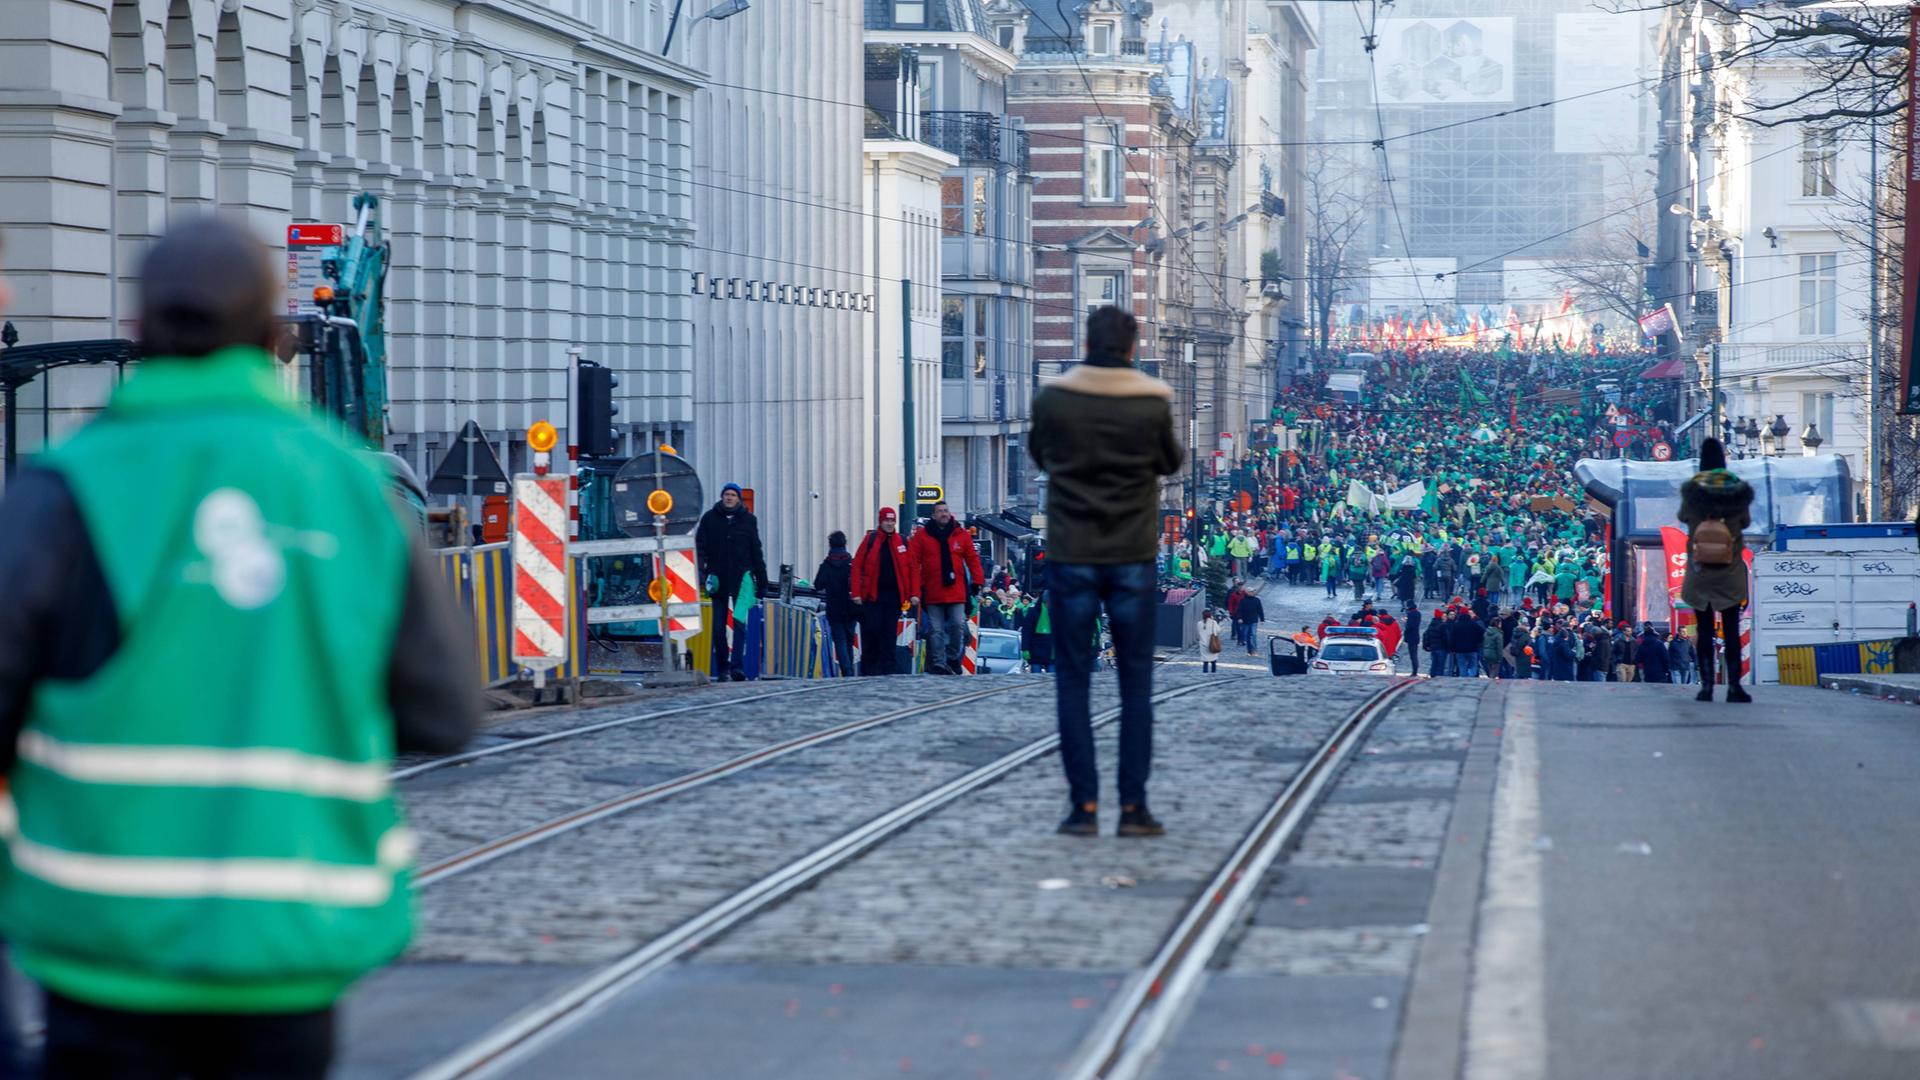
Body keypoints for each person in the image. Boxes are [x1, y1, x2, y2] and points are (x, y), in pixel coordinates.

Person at [0, 218, 478, 1079]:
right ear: (275, 339)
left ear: (143, 332)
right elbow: (444, 715)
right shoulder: (351, 487)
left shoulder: (65, 489)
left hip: (104, 935)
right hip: (290, 934)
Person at [1029, 306, 1183, 837]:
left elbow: (1039, 455)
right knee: (1135, 686)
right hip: (1131, 555)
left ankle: (1083, 808)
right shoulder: (1150, 400)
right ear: (1133, 346)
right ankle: (1134, 807)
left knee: (1073, 683)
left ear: (1086, 341)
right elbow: (1170, 462)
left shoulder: (1054, 397)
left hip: (1072, 553)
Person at [1679, 438, 1755, 703]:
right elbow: (1745, 521)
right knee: (1731, 629)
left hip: (1700, 569)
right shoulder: (1736, 490)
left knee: (1704, 628)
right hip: (1729, 567)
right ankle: (1734, 686)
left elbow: (1683, 517)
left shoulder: (1693, 491)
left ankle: (1707, 687)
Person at [695, 482, 770, 682]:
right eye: (726, 494)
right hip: (717, 578)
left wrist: (762, 581)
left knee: (739, 624)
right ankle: (722, 668)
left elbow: (756, 551)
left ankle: (737, 667)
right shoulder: (710, 519)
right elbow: (700, 547)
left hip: (742, 579)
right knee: (718, 627)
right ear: (722, 497)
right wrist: (701, 573)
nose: (729, 498)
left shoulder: (748, 520)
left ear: (738, 498)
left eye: (733, 495)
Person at [908, 501, 984, 676]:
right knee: (936, 630)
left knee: (958, 625)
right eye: (940, 511)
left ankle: (951, 657)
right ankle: (939, 662)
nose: (944, 514)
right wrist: (915, 591)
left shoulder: (961, 534)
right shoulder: (922, 536)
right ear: (933, 516)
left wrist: (977, 581)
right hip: (933, 592)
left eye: (946, 511)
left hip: (956, 592)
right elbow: (913, 564)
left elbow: (972, 559)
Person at [851, 507, 918, 676]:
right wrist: (856, 593)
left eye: (892, 520)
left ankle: (888, 671)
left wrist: (914, 593)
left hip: (894, 597)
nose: (889, 523)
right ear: (880, 521)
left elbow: (912, 569)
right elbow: (857, 565)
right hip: (872, 597)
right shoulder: (870, 540)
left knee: (889, 633)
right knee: (872, 631)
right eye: (886, 520)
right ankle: (869, 670)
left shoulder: (902, 541)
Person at [813, 531, 857, 677]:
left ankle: (847, 671)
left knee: (840, 641)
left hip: (834, 608)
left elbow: (818, 584)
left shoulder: (827, 564)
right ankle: (849, 670)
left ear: (830, 545)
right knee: (849, 640)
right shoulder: (851, 563)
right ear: (845, 544)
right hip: (851, 607)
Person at [1021, 590, 1055, 673]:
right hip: (1036, 651)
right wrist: (1025, 649)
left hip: (1052, 652)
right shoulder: (1033, 612)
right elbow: (1026, 632)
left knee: (1051, 679)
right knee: (1035, 677)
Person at [1236, 588, 1266, 655]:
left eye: (1253, 591)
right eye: (1251, 591)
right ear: (1247, 592)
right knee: (1247, 635)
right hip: (1245, 620)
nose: (1253, 592)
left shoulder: (1257, 600)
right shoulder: (1243, 600)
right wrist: (1239, 618)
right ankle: (1249, 650)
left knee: (1253, 635)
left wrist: (1262, 619)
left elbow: (1260, 610)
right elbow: (1239, 610)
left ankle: (1254, 650)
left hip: (1254, 620)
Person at [1423, 608, 1451, 677]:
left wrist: (1426, 645)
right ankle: (1439, 679)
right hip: (1441, 648)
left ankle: (1432, 677)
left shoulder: (1431, 625)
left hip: (1433, 648)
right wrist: (1449, 647)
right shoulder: (1442, 625)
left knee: (1434, 664)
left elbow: (1426, 635)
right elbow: (1446, 637)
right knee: (1440, 665)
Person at [1200, 609, 1226, 673]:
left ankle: (1205, 671)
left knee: (1205, 660)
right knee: (1213, 659)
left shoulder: (1199, 623)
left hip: (1203, 643)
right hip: (1213, 643)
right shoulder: (1213, 623)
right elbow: (1218, 630)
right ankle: (1213, 672)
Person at [1401, 603, 1423, 676]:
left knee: (1413, 655)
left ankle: (1415, 670)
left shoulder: (1410, 614)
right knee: (1414, 654)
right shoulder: (1418, 613)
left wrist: (1405, 622)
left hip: (1411, 637)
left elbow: (1409, 626)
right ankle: (1415, 668)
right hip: (1416, 636)